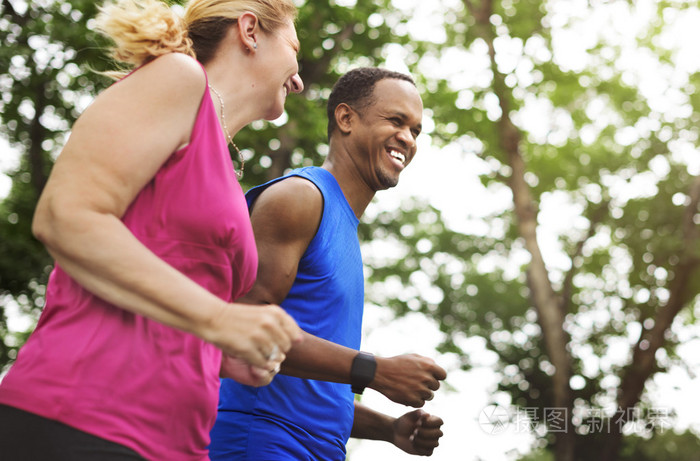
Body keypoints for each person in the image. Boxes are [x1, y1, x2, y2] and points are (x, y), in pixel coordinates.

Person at [0, 0, 307, 459]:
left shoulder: (223, 163)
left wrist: (222, 350)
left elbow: (170, 295)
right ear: (249, 30)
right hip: (79, 418)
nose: (299, 79)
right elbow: (66, 215)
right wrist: (219, 318)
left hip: (176, 444)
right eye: (294, 47)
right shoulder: (178, 77)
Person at [209, 67, 447, 460]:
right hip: (259, 441)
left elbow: (308, 388)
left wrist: (388, 429)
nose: (407, 138)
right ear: (346, 118)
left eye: (416, 130)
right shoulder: (301, 198)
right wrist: (375, 370)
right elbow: (244, 333)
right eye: (396, 121)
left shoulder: (343, 227)